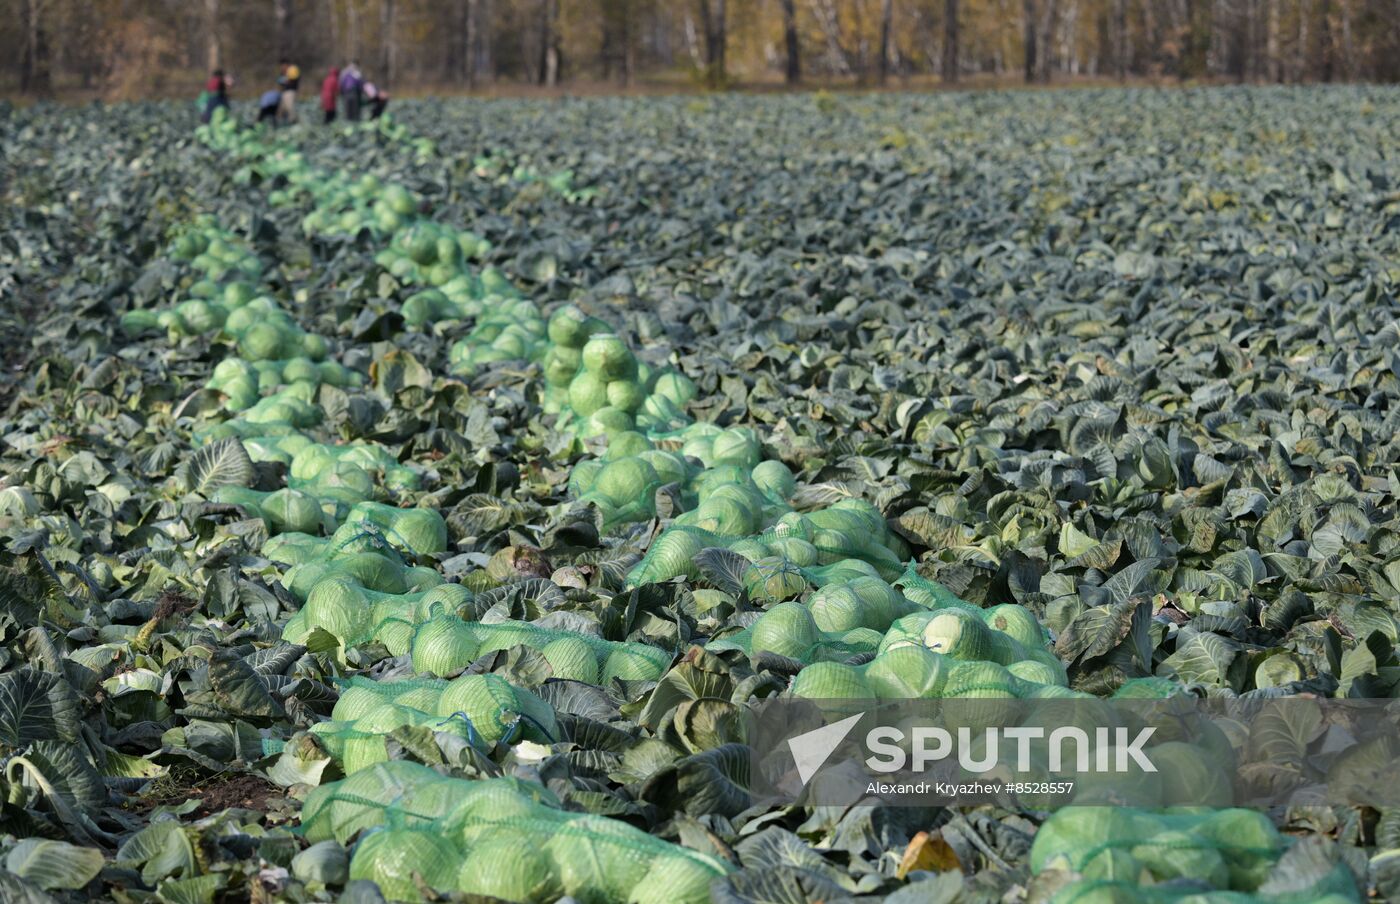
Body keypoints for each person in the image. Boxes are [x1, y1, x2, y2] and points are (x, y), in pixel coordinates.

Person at [277, 58, 301, 124]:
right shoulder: (284, 72)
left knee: (290, 107)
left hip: (290, 91)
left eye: (283, 65)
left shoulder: (292, 69)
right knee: (282, 108)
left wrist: (285, 79)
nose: (282, 67)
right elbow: (280, 81)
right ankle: (282, 122)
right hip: (285, 92)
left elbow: (291, 80)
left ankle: (294, 121)